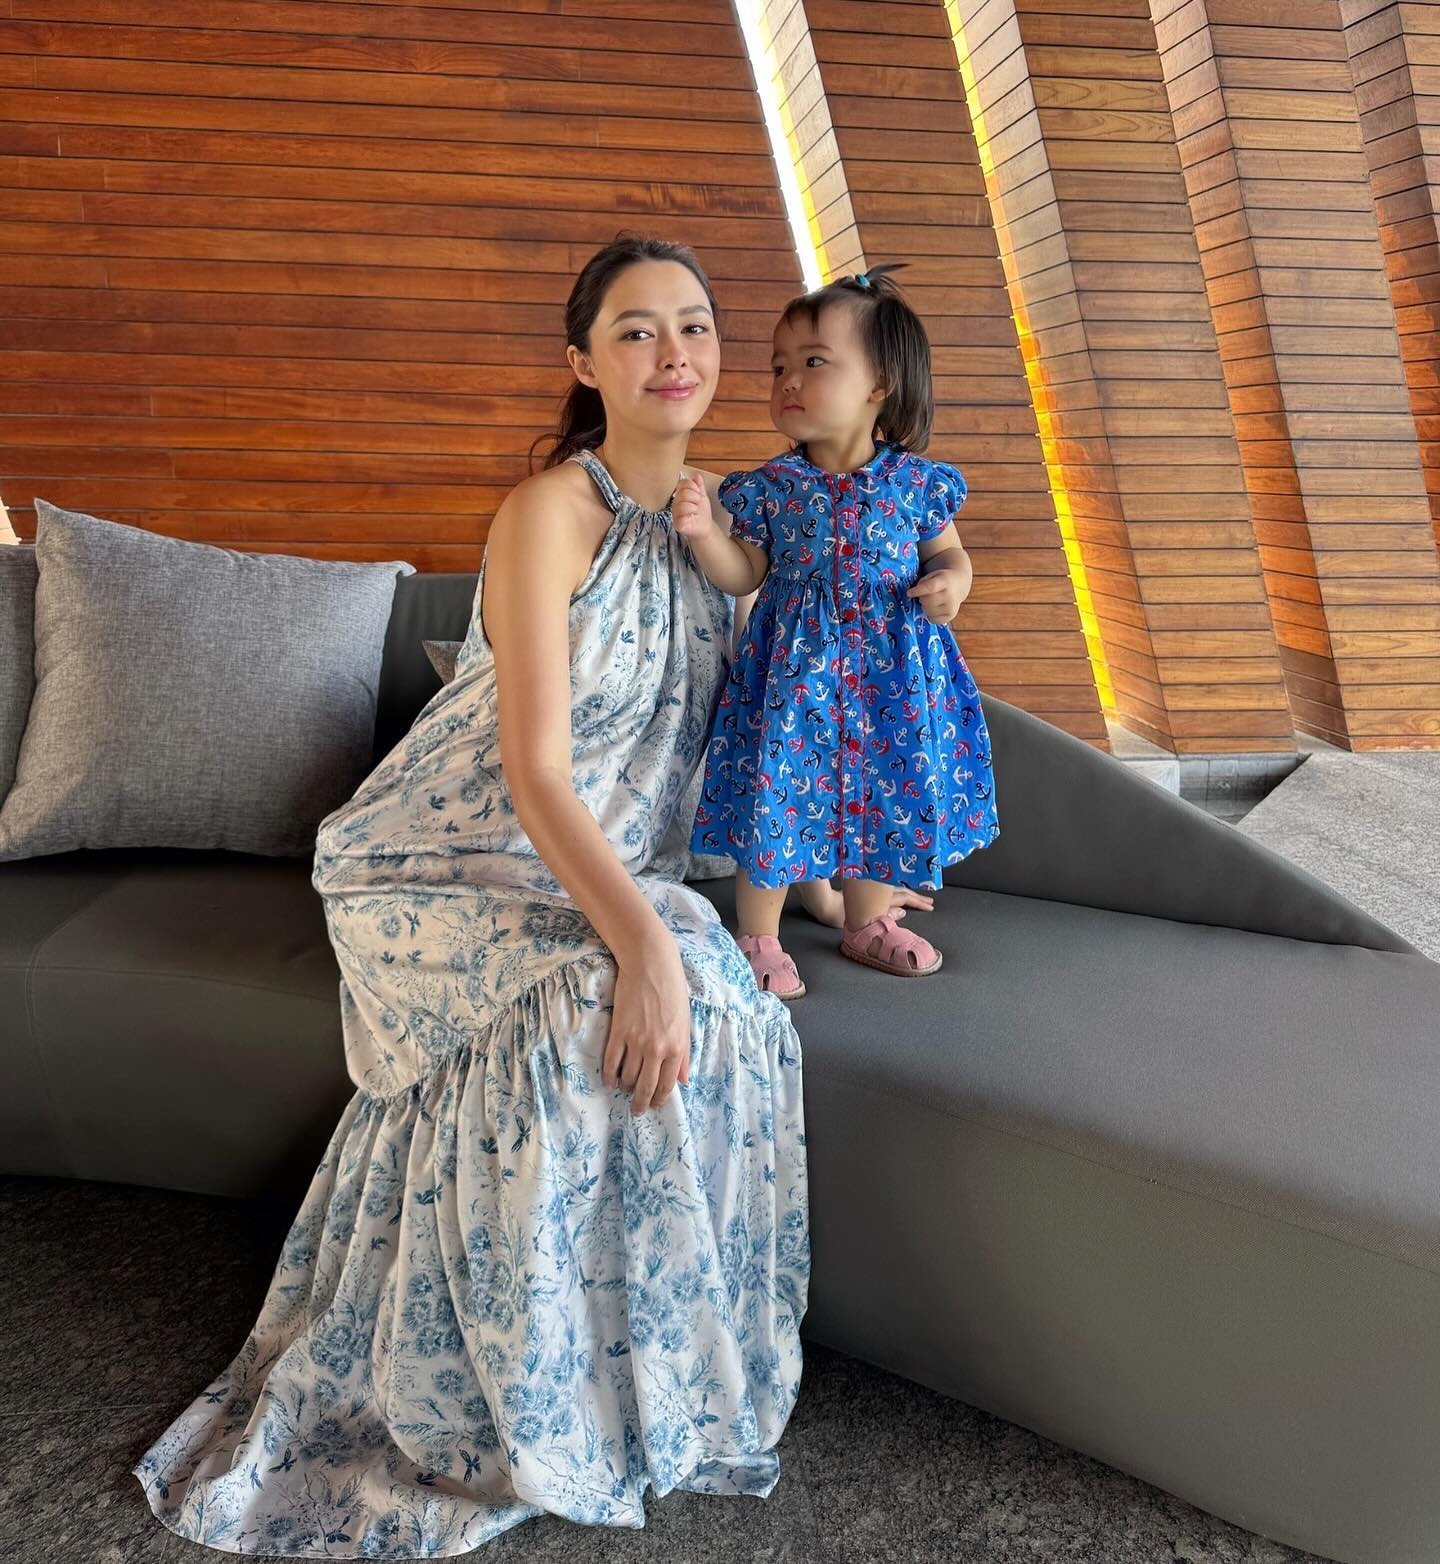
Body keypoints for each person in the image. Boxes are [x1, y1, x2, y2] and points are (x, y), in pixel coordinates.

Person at [131, 235, 811, 1558]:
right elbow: (536, 771)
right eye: (635, 330)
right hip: (445, 855)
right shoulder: (549, 512)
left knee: (724, 1001)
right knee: (592, 1005)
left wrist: (819, 893)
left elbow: (802, 707)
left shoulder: (729, 529)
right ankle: (512, 1401)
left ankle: (644, 1385)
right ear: (583, 362)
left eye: (694, 325)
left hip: (605, 864)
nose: (673, 352)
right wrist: (640, 946)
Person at [675, 264, 1000, 999]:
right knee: (777, 795)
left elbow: (950, 554)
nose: (788, 380)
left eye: (814, 362)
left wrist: (953, 583)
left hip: (892, 679)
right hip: (793, 680)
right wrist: (704, 535)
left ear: (880, 383)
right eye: (778, 367)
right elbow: (744, 574)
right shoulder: (771, 489)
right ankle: (757, 936)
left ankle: (868, 920)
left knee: (885, 791)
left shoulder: (916, 484)